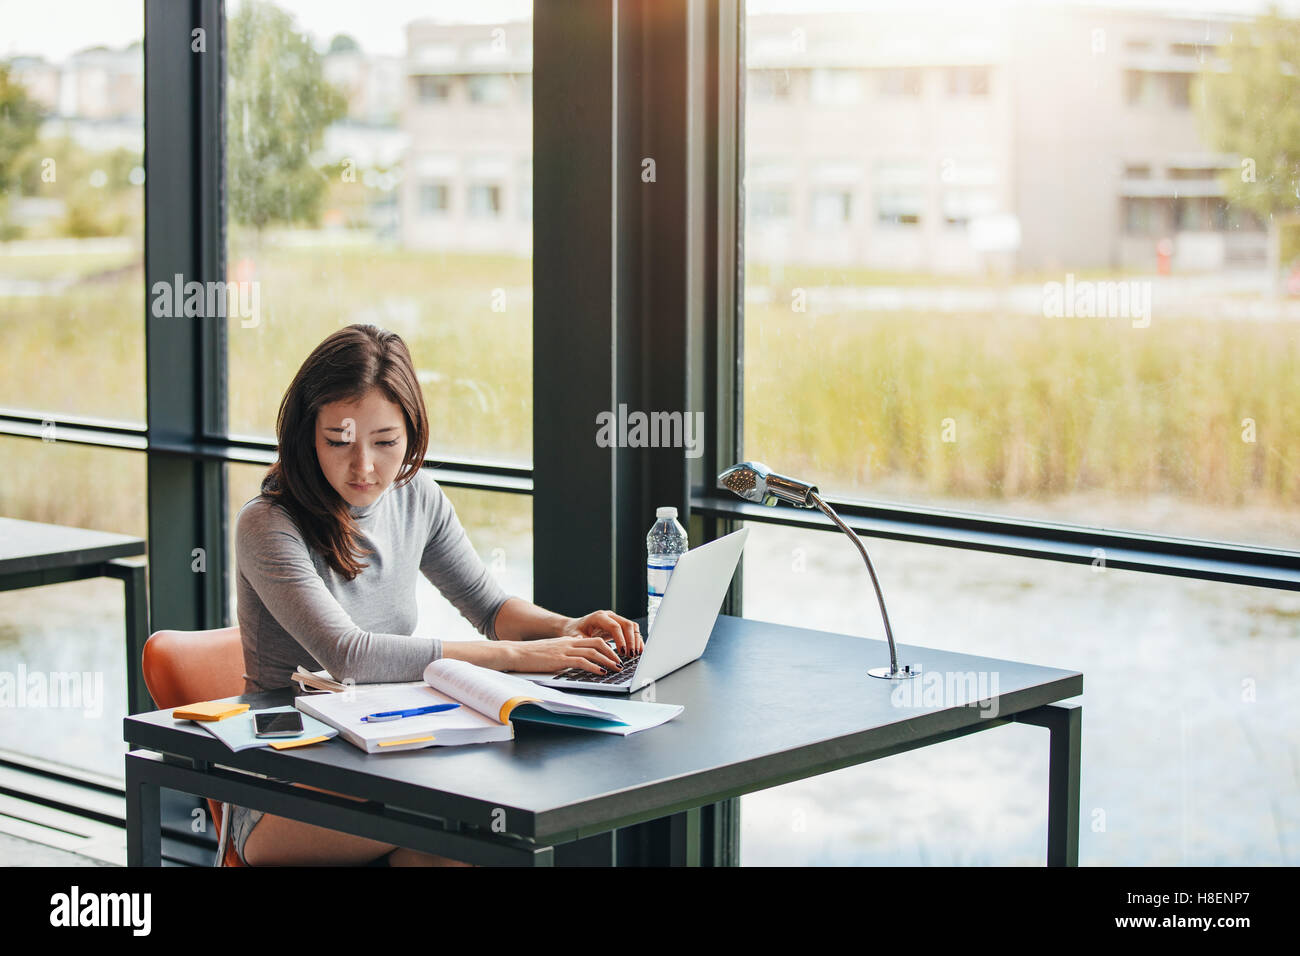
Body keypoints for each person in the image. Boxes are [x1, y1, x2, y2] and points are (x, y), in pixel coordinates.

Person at [228, 323, 643, 866]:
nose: (365, 467)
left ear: (411, 433)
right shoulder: (267, 525)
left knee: (469, 848)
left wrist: (564, 628)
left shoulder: (415, 496)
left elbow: (490, 608)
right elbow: (349, 655)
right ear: (307, 434)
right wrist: (518, 658)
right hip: (283, 789)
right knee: (481, 818)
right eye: (338, 441)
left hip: (386, 756)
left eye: (385, 443)